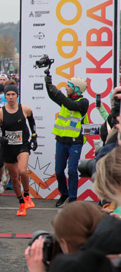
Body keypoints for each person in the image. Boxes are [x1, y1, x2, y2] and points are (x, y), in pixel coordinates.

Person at [45, 73, 89, 206]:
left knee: (72, 170)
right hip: (61, 141)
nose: (66, 88)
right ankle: (64, 193)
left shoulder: (83, 102)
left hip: (75, 142)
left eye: (69, 86)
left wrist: (57, 92)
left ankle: (73, 198)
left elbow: (69, 105)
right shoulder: (66, 100)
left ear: (77, 89)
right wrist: (48, 82)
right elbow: (53, 96)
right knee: (58, 171)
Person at [0, 85, 37, 216]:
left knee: (22, 170)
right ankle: (21, 203)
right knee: (13, 177)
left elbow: (32, 121)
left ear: (17, 95)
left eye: (13, 94)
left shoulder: (24, 109)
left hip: (22, 145)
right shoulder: (0, 113)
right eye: (8, 95)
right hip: (8, 148)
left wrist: (34, 137)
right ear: (5, 96)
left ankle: (27, 194)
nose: (11, 97)